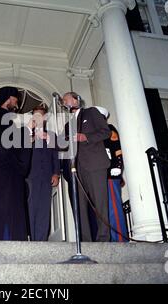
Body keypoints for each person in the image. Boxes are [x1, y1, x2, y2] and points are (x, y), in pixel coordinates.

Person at [0, 86, 31, 241]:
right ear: (8, 98)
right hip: (3, 171)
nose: (17, 104)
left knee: (4, 206)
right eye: (16, 100)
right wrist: (26, 131)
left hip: (2, 170)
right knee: (5, 206)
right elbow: (3, 144)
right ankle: (6, 239)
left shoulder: (2, 117)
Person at [61, 92, 111, 242]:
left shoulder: (91, 112)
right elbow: (62, 144)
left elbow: (106, 132)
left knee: (100, 203)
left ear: (77, 99)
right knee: (79, 207)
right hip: (77, 168)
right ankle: (84, 241)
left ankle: (103, 239)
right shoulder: (68, 124)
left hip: (95, 164)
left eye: (65, 99)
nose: (63, 102)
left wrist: (86, 137)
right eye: (62, 101)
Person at [27, 104, 60, 241]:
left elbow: (56, 155)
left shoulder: (51, 135)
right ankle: (31, 239)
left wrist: (56, 173)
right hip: (30, 177)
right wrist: (32, 138)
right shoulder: (27, 133)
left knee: (44, 210)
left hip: (46, 176)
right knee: (30, 208)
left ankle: (41, 240)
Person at [95, 106, 128, 242]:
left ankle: (120, 240)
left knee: (113, 208)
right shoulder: (91, 131)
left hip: (110, 173)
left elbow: (117, 150)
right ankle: (107, 239)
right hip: (96, 175)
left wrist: (117, 167)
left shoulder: (109, 129)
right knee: (102, 210)